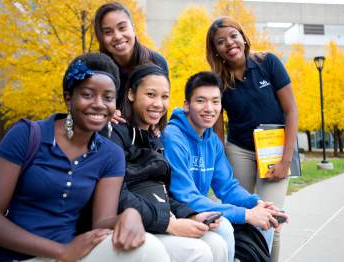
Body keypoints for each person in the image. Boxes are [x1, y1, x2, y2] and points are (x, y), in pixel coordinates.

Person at [0, 53, 170, 262]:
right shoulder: (27, 135)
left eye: (108, 97)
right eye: (88, 94)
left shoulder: (110, 155)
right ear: (68, 97)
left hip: (70, 256)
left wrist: (130, 215)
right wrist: (60, 251)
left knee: (149, 249)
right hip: (16, 257)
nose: (99, 104)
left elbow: (101, 223)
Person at [104, 64, 228, 262]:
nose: (158, 104)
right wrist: (169, 224)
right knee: (199, 251)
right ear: (131, 94)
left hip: (157, 220)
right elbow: (118, 195)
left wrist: (191, 215)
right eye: (151, 94)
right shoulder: (114, 134)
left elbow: (162, 193)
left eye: (164, 97)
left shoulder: (155, 139)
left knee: (217, 242)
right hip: (131, 224)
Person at [162, 72, 288, 262]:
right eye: (201, 101)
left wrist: (256, 204)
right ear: (187, 105)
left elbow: (227, 187)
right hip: (177, 212)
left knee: (264, 223)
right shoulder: (173, 137)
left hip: (198, 207)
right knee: (225, 228)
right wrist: (246, 214)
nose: (209, 108)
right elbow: (185, 196)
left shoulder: (212, 140)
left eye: (215, 102)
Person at [205, 17, 298, 262]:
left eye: (233, 36)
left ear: (243, 37)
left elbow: (291, 111)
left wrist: (285, 160)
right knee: (241, 215)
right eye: (220, 42)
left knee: (272, 216)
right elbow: (218, 128)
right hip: (240, 151)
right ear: (215, 50)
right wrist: (222, 162)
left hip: (275, 150)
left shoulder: (268, 62)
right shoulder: (219, 81)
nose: (229, 43)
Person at [94, 2, 169, 123]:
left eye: (122, 28)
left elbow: (162, 104)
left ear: (133, 28)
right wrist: (104, 112)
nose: (117, 36)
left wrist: (157, 125)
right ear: (100, 38)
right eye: (108, 32)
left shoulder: (157, 63)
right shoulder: (97, 68)